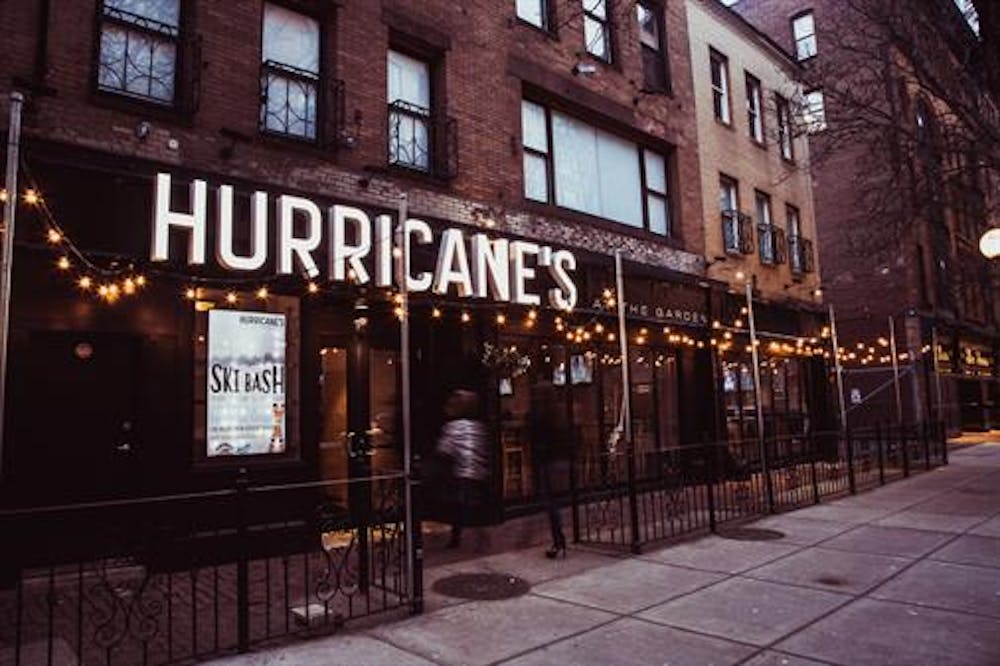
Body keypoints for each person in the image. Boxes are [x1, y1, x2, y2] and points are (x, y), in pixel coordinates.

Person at [436, 389, 489, 548]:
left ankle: (464, 538)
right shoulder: (478, 426)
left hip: (462, 472)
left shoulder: (453, 427)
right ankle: (470, 538)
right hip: (478, 471)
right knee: (469, 505)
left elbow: (443, 450)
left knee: (460, 507)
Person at [529, 380, 570, 558]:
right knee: (554, 502)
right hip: (560, 460)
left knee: (551, 503)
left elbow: (537, 439)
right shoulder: (559, 413)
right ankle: (559, 540)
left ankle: (558, 542)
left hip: (549, 461)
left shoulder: (541, 415)